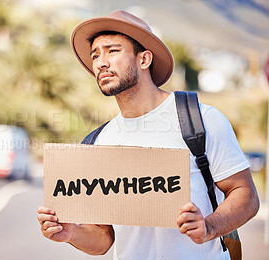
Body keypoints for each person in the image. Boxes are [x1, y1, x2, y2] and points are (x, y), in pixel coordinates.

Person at [37, 10, 259, 259]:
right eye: (95, 55)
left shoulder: (201, 120)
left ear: (144, 60)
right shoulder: (98, 142)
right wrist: (71, 233)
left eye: (112, 51)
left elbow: (246, 195)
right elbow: (104, 238)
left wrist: (208, 227)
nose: (100, 62)